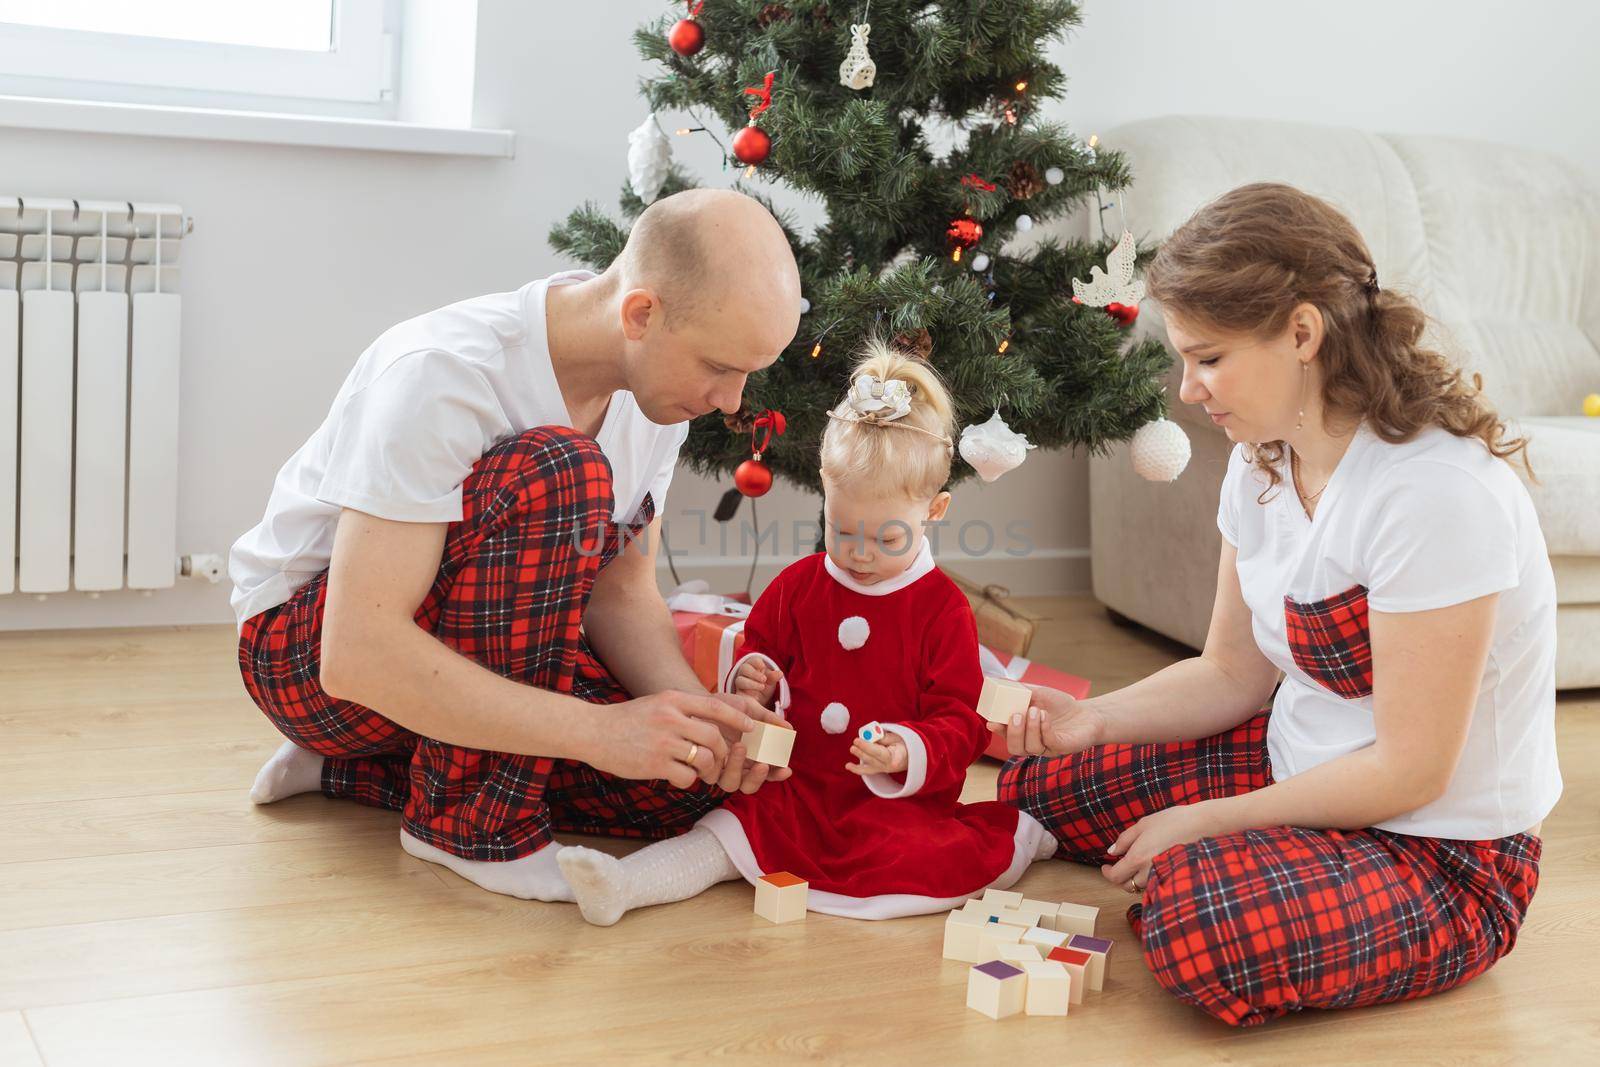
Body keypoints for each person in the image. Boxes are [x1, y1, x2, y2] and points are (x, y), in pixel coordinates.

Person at [994, 182, 1559, 1027]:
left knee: (1196, 918)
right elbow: (1230, 672)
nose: (1187, 389)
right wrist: (1094, 719)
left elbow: (1411, 770)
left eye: (1209, 358)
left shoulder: (1434, 493)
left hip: (1441, 851)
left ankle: (1252, 865)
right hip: (1291, 762)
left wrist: (1205, 822)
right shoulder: (1262, 461)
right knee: (1043, 780)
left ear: (1303, 332)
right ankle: (1259, 853)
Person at [231, 189, 803, 902]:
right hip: (308, 659)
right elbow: (357, 654)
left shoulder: (659, 394)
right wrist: (599, 733)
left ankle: (357, 772)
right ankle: (465, 826)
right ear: (641, 313)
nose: (732, 401)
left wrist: (702, 724)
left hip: (461, 648)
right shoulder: (442, 372)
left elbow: (621, 593)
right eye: (720, 367)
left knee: (681, 789)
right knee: (560, 470)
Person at [559, 343, 1056, 925]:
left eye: (887, 539)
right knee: (725, 832)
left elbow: (959, 717)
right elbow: (760, 652)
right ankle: (623, 884)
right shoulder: (799, 586)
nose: (859, 555)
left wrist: (906, 748)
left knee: (930, 858)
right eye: (841, 531)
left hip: (886, 804)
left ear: (936, 510)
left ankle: (1025, 837)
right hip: (793, 788)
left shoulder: (941, 608)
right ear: (824, 497)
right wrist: (752, 679)